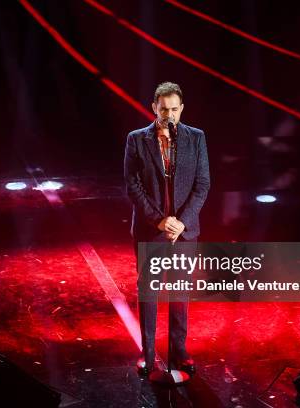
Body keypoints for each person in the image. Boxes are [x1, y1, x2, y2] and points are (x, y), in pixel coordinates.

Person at [124, 82, 210, 376]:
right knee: (149, 291)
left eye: (174, 109)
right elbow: (133, 185)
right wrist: (160, 220)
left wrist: (182, 221)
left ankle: (179, 349)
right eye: (164, 109)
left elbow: (202, 184)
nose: (169, 115)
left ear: (182, 109)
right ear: (154, 108)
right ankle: (147, 353)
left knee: (180, 290)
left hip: (184, 231)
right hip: (151, 230)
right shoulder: (136, 140)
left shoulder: (196, 138)